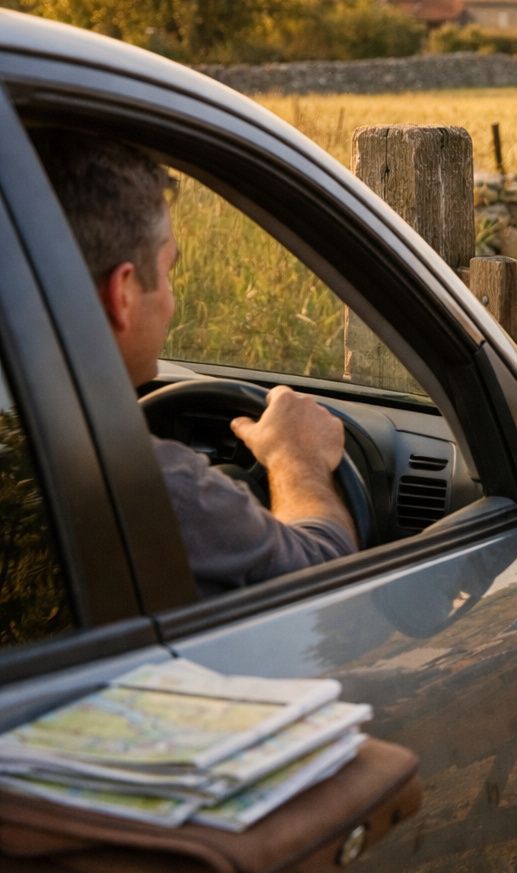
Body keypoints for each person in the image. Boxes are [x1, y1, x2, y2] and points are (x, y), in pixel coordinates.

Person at [34, 130, 357, 597]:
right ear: (122, 294)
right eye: (168, 271)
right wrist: (297, 460)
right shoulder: (147, 487)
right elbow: (324, 585)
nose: (171, 302)